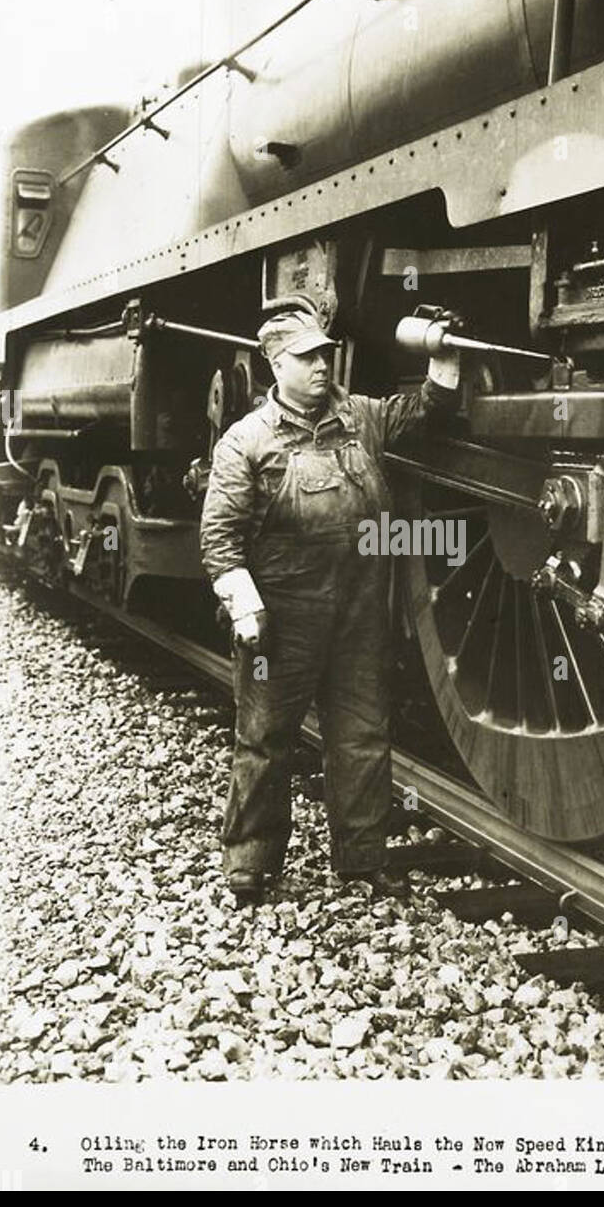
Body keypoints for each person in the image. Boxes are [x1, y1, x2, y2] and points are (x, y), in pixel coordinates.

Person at [199, 299, 460, 907]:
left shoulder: (361, 419)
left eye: (324, 354)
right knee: (265, 737)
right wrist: (243, 606)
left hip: (359, 612)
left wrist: (442, 360)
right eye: (306, 358)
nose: (322, 366)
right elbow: (219, 538)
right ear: (276, 367)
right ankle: (250, 864)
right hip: (281, 622)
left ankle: (364, 858)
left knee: (363, 734)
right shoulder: (247, 442)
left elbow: (423, 413)